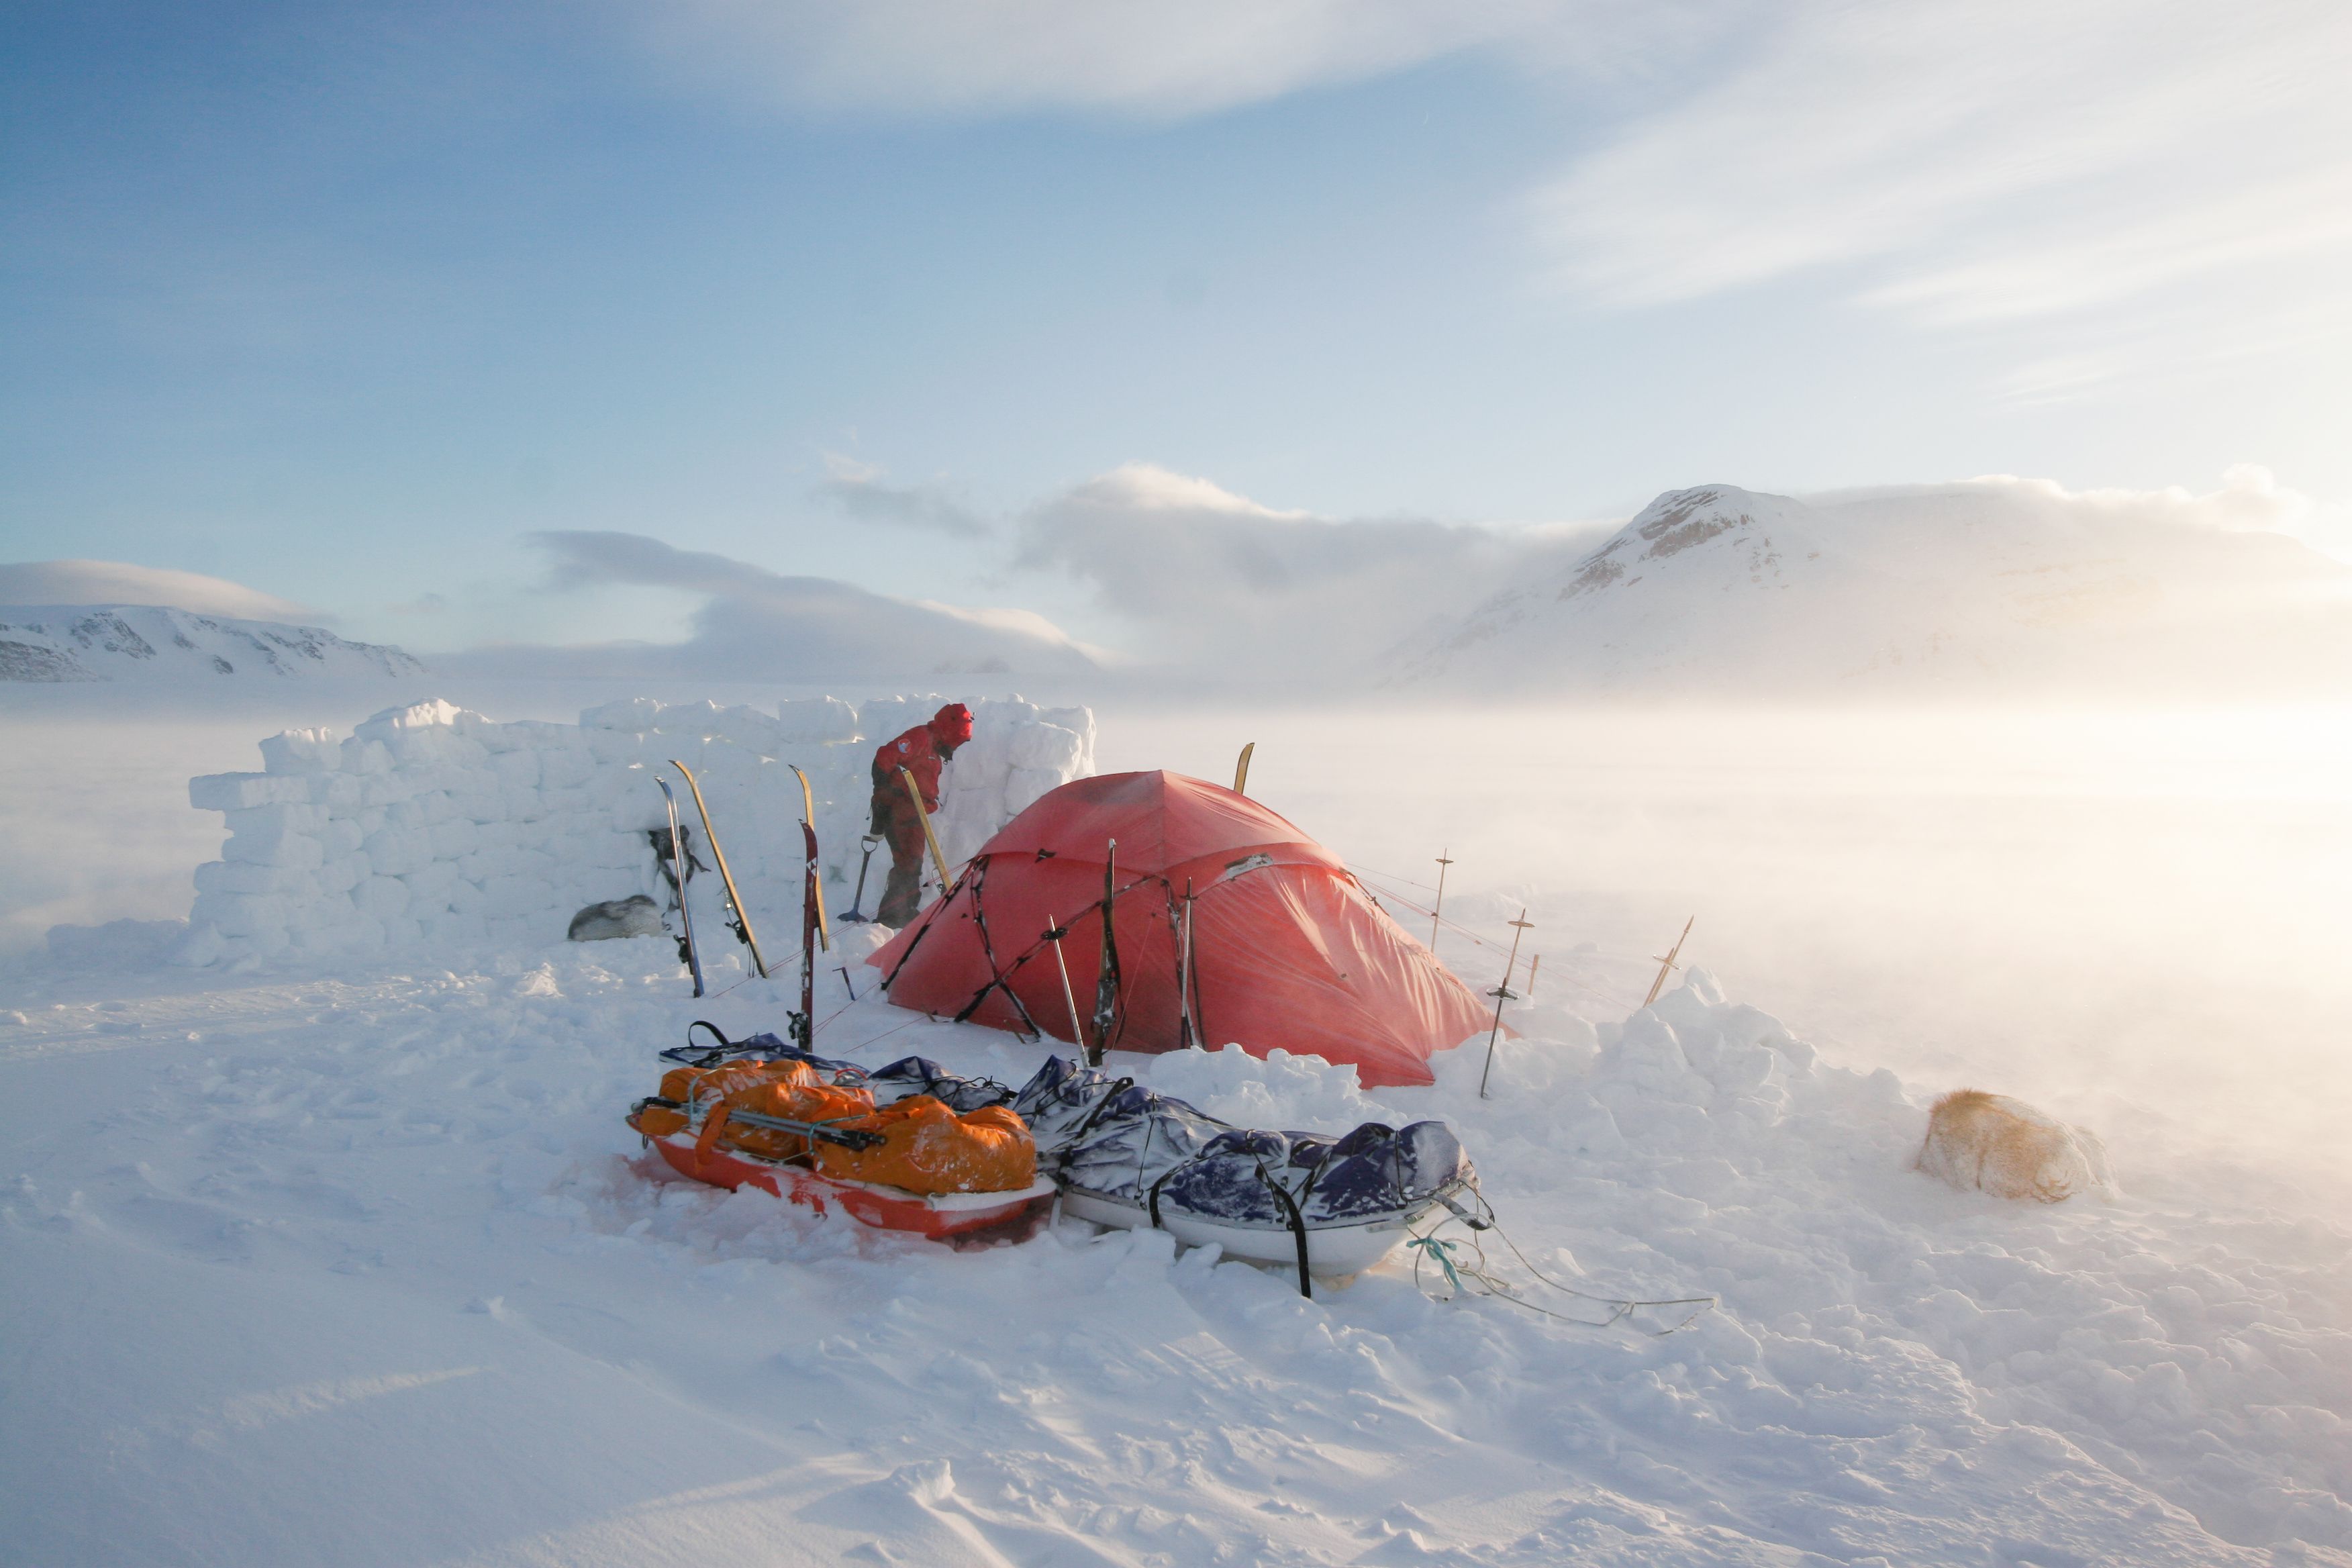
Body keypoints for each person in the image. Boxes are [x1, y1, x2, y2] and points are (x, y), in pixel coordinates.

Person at [869, 702, 974, 926]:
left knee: (911, 861)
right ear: (948, 732)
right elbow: (883, 758)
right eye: (957, 742)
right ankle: (893, 916)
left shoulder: (934, 748)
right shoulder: (921, 738)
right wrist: (883, 796)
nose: (956, 749)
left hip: (915, 812)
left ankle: (904, 910)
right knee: (908, 862)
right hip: (900, 809)